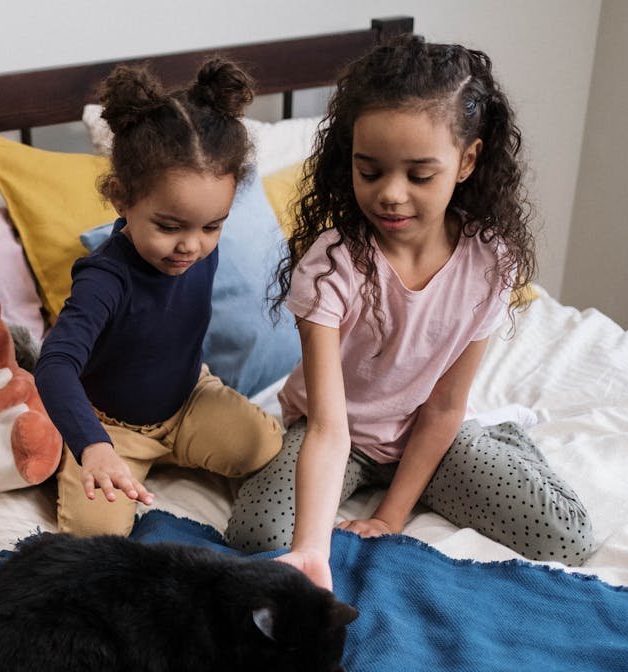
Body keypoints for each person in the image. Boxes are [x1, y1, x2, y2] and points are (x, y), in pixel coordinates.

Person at [225, 35, 595, 590]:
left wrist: (390, 516)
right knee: (256, 534)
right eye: (370, 171)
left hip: (430, 433)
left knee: (566, 535)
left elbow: (445, 406)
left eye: (419, 175)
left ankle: (507, 439)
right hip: (336, 436)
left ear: (467, 161)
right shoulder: (332, 267)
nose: (391, 195)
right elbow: (328, 427)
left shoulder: (492, 263)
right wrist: (311, 550)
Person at [34, 59, 284, 536]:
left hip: (187, 400)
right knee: (97, 538)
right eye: (170, 227)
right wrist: (93, 445)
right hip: (113, 429)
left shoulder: (197, 251)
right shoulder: (105, 278)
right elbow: (55, 364)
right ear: (121, 197)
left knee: (265, 445)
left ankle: (177, 453)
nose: (191, 245)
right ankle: (88, 458)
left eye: (213, 226)